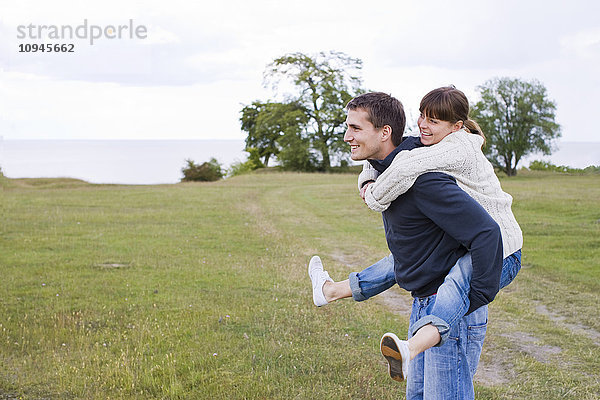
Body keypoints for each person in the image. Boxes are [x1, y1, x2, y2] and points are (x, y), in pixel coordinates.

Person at [308, 89, 519, 399]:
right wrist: (368, 180)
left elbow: (486, 232)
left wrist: (477, 296)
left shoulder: (428, 175)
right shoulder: (408, 154)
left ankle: (351, 301)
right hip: (426, 298)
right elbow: (390, 163)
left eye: (355, 128)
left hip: (474, 275)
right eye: (422, 116)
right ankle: (334, 290)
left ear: (384, 132)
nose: (346, 136)